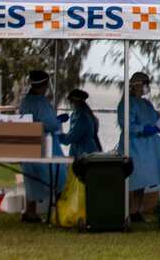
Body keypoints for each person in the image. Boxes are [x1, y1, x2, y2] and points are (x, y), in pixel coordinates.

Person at [116, 70, 160, 222]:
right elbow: (126, 124)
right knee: (133, 178)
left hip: (147, 148)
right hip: (133, 145)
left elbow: (157, 120)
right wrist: (142, 129)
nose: (147, 87)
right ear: (137, 85)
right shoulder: (126, 103)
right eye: (145, 83)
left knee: (142, 182)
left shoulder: (146, 103)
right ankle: (127, 210)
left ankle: (137, 210)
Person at [17, 69, 65, 223]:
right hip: (45, 145)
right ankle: (59, 212)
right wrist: (58, 121)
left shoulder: (25, 101)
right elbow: (50, 124)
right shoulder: (41, 103)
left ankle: (30, 211)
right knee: (58, 177)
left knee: (30, 180)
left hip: (27, 145)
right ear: (45, 85)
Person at [58, 88, 101, 159]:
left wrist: (56, 135)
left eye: (70, 102)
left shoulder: (82, 118)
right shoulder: (77, 115)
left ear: (75, 102)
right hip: (79, 152)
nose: (70, 104)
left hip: (85, 154)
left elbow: (71, 138)